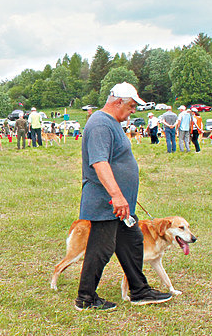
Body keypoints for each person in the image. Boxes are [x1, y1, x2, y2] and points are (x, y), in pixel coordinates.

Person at [75, 82, 172, 311]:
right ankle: (85, 298)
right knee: (101, 248)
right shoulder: (100, 123)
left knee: (132, 242)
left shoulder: (112, 123)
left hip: (119, 204)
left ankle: (139, 290)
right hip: (105, 201)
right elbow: (99, 163)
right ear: (118, 102)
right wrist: (117, 196)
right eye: (130, 106)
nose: (132, 112)